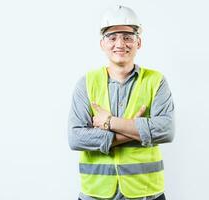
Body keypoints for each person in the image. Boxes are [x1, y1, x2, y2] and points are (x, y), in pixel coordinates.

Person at [68, 5, 175, 200]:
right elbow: (76, 138)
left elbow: (166, 130)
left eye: (127, 37)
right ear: (102, 43)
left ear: (138, 42)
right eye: (112, 37)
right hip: (95, 193)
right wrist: (135, 130)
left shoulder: (156, 81)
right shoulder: (86, 83)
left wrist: (110, 122)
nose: (120, 43)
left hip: (146, 193)